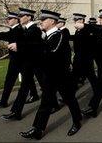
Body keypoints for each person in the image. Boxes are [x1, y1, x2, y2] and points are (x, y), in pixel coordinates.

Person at [19, 10, 82, 140]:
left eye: (43, 20)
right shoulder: (46, 36)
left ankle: (77, 122)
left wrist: (27, 45)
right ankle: (37, 129)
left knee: (70, 99)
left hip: (61, 76)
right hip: (49, 76)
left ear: (52, 21)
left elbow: (51, 52)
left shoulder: (59, 35)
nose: (40, 22)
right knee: (45, 103)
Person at [0, 12, 38, 108]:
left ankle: (34, 96)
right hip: (16, 60)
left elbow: (8, 35)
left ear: (16, 20)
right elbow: (7, 34)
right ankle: (5, 101)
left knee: (25, 80)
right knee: (13, 80)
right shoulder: (16, 29)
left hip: (21, 60)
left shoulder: (19, 29)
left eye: (10, 19)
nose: (7, 20)